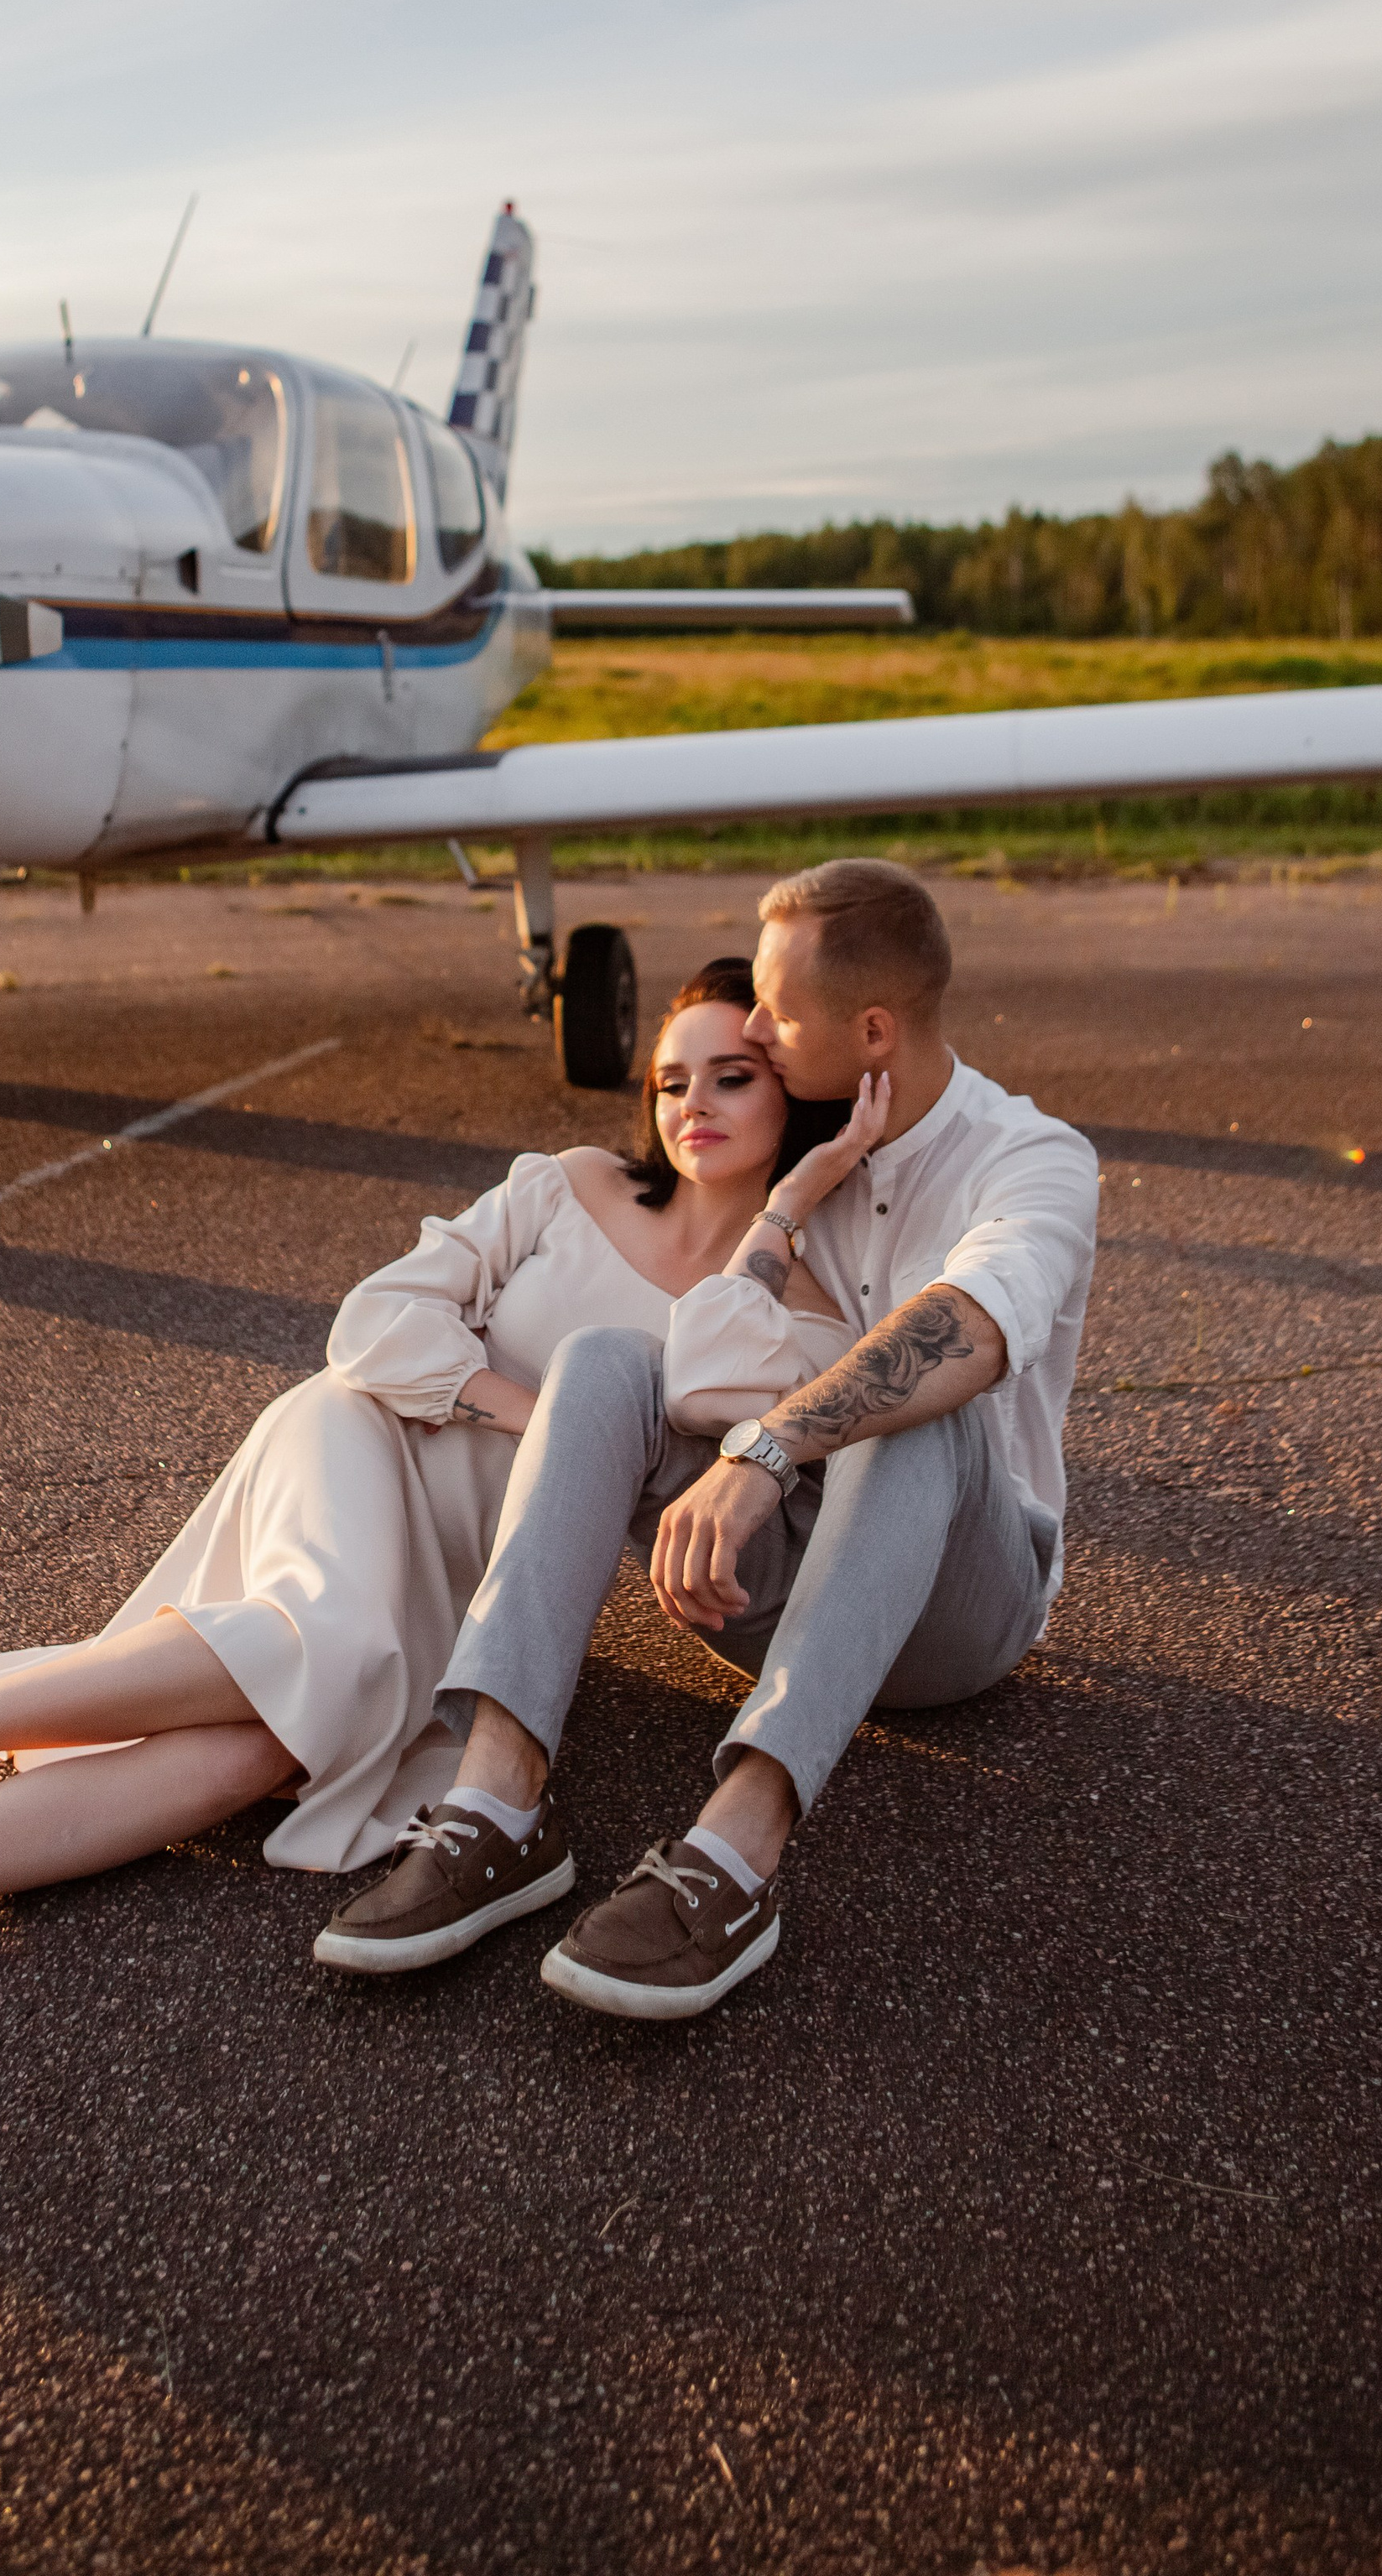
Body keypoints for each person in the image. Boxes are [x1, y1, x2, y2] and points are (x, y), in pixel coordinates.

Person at [0, 960, 875, 2032]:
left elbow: (711, 1378)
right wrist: (532, 1413)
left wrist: (796, 1206)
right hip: (367, 1449)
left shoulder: (801, 1306)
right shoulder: (568, 1185)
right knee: (315, 1650)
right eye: (670, 1079)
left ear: (794, 1095)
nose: (691, 1106)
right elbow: (374, 1325)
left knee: (249, 1756)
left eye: (733, 1076)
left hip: (465, 1587)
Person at [320, 856, 1099, 2021]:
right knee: (606, 1359)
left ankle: (732, 1860)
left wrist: (765, 1451)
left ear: (873, 1028)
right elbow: (693, 1370)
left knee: (912, 1396)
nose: (762, 1031)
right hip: (774, 1587)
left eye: (778, 1014)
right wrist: (789, 1206)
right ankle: (496, 1807)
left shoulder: (1030, 1159)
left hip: (956, 1613)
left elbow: (971, 1333)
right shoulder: (811, 1156)